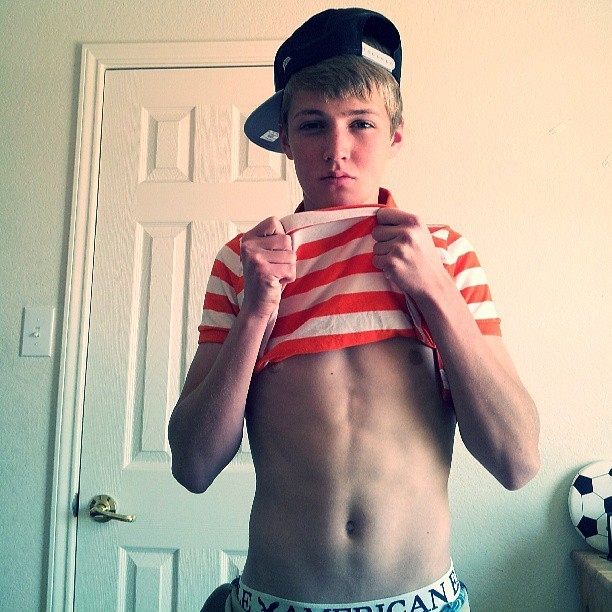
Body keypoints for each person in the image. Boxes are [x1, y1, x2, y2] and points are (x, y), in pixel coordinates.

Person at [168, 8, 540, 612]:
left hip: (423, 599)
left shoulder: (444, 254)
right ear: (285, 138)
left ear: (396, 134)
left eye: (361, 123)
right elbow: (192, 466)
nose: (336, 150)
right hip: (276, 600)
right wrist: (257, 312)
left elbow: (517, 461)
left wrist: (434, 290)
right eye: (313, 125)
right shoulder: (244, 261)